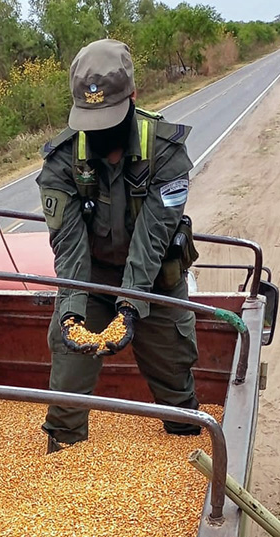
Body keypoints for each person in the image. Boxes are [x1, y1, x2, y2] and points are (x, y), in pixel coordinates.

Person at [37, 38, 201, 453]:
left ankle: (186, 447)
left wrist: (129, 306)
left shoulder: (165, 152)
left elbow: (151, 241)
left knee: (174, 377)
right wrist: (72, 312)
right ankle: (63, 454)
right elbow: (70, 247)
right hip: (91, 278)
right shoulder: (61, 160)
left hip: (156, 279)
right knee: (68, 372)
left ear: (133, 96)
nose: (100, 132)